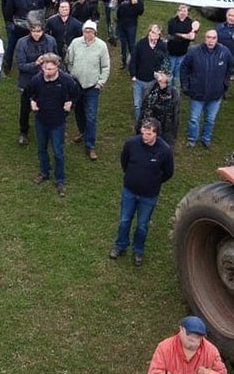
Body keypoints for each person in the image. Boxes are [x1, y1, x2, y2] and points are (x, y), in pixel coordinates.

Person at [109, 119, 174, 266]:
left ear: (156, 134)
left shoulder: (164, 151)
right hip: (129, 191)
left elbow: (168, 172)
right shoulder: (131, 144)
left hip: (149, 196)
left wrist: (153, 182)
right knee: (125, 220)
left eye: (149, 134)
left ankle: (138, 250)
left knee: (142, 225)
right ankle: (121, 245)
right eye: (143, 133)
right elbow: (124, 162)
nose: (144, 136)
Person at [27, 54, 79, 196]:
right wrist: (32, 101)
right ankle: (44, 172)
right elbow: (29, 93)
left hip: (58, 122)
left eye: (51, 69)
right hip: (41, 120)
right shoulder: (37, 79)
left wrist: (70, 103)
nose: (47, 72)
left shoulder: (66, 80)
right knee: (42, 149)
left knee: (58, 152)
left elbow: (76, 93)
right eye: (45, 69)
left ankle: (60, 179)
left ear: (57, 67)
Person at [181, 29, 233, 149]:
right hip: (197, 94)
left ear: (217, 39)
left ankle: (206, 138)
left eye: (214, 38)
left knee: (210, 119)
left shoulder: (224, 52)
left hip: (215, 95)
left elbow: (230, 68)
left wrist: (225, 84)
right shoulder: (194, 52)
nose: (211, 40)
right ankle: (192, 139)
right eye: (209, 37)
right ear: (205, 39)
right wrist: (186, 84)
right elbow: (184, 68)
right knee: (194, 119)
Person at [66, 21, 110, 161]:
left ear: (95, 32)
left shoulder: (101, 46)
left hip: (92, 86)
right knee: (78, 111)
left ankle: (90, 145)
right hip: (77, 84)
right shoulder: (75, 43)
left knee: (91, 115)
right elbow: (69, 60)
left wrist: (100, 82)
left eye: (91, 31)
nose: (88, 33)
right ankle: (83, 132)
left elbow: (106, 66)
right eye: (86, 31)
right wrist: (72, 74)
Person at [15, 22, 57, 147]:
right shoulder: (22, 43)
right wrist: (36, 63)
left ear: (43, 31)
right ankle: (23, 131)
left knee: (47, 106)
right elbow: (21, 65)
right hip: (28, 81)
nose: (36, 34)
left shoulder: (51, 41)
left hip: (47, 80)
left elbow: (57, 57)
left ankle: (47, 131)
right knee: (25, 108)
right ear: (30, 31)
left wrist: (49, 62)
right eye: (33, 31)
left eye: (39, 31)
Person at [129, 24, 167, 121]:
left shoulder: (162, 46)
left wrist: (161, 73)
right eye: (153, 32)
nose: (154, 35)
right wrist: (133, 74)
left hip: (152, 81)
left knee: (150, 105)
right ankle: (139, 125)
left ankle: (149, 124)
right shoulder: (141, 44)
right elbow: (133, 59)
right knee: (137, 105)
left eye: (157, 33)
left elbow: (165, 62)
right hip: (139, 80)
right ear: (149, 32)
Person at [166, 5, 199, 77]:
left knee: (178, 74)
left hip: (183, 53)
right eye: (181, 10)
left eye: (184, 11)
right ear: (177, 12)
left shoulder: (191, 23)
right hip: (171, 52)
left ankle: (176, 88)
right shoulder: (172, 21)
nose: (182, 12)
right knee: (169, 73)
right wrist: (186, 36)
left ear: (187, 12)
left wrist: (191, 36)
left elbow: (192, 37)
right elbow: (174, 34)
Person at [214, 9, 234, 80]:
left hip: (231, 56)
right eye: (229, 15)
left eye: (233, 16)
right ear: (226, 15)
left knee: (227, 78)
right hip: (217, 55)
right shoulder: (219, 27)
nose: (230, 18)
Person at [115, 0, 145, 67]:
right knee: (123, 44)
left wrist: (135, 3)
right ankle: (124, 62)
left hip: (131, 25)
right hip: (121, 24)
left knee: (131, 45)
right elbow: (118, 8)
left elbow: (141, 11)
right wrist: (119, 0)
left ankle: (133, 62)